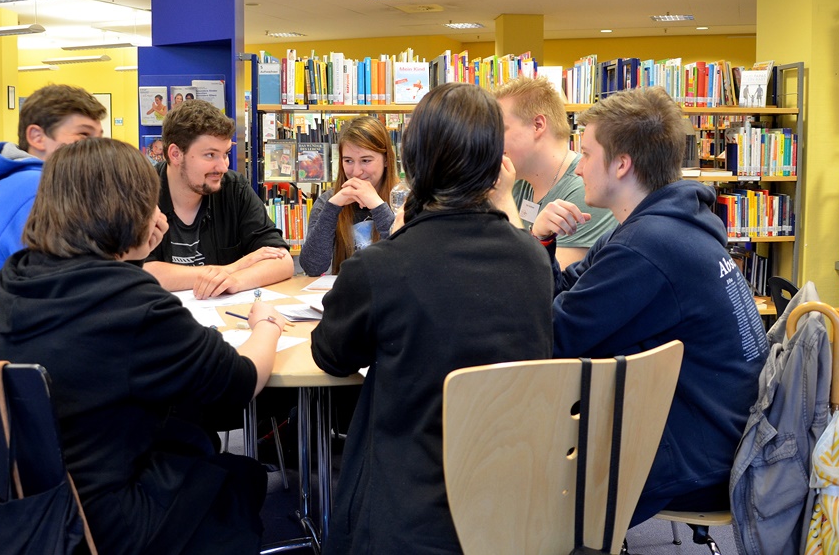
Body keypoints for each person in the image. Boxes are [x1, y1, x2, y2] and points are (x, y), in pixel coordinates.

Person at [0, 137, 285, 554]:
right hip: (108, 519)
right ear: (128, 207)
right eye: (148, 202)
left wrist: (136, 249)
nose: (157, 213)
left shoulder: (19, 275)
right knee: (241, 477)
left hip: (36, 501)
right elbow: (241, 381)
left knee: (194, 440)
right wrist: (266, 323)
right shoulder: (132, 302)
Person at [310, 82, 554, 554]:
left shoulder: (383, 267)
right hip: (512, 503)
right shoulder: (533, 259)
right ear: (495, 161)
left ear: (412, 161)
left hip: (407, 512)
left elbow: (331, 356)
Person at [530, 86, 770, 526]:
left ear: (621, 164)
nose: (578, 167)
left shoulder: (648, 246)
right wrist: (542, 242)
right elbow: (563, 290)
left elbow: (552, 339)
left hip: (702, 458)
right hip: (710, 433)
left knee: (524, 479)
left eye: (586, 154)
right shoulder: (652, 225)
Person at [0, 84, 104, 358]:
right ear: (37, 137)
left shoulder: (18, 180)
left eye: (99, 138)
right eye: (83, 135)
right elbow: (64, 288)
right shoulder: (35, 188)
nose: (96, 149)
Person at [144, 99, 293, 298]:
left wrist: (235, 281)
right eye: (210, 155)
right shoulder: (140, 193)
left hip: (224, 314)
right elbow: (139, 271)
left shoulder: (234, 188)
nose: (223, 167)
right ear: (175, 154)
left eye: (225, 154)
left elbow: (282, 260)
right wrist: (232, 269)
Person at [492, 76, 615, 266]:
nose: (492, 140)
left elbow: (543, 280)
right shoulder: (517, 181)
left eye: (500, 129)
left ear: (538, 125)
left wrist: (503, 199)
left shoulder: (587, 189)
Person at [300, 116, 398, 276]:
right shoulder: (327, 201)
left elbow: (408, 261)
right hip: (345, 289)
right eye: (348, 161)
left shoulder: (404, 199)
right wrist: (332, 208)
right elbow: (312, 267)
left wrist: (378, 206)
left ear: (386, 160)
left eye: (366, 160)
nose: (356, 172)